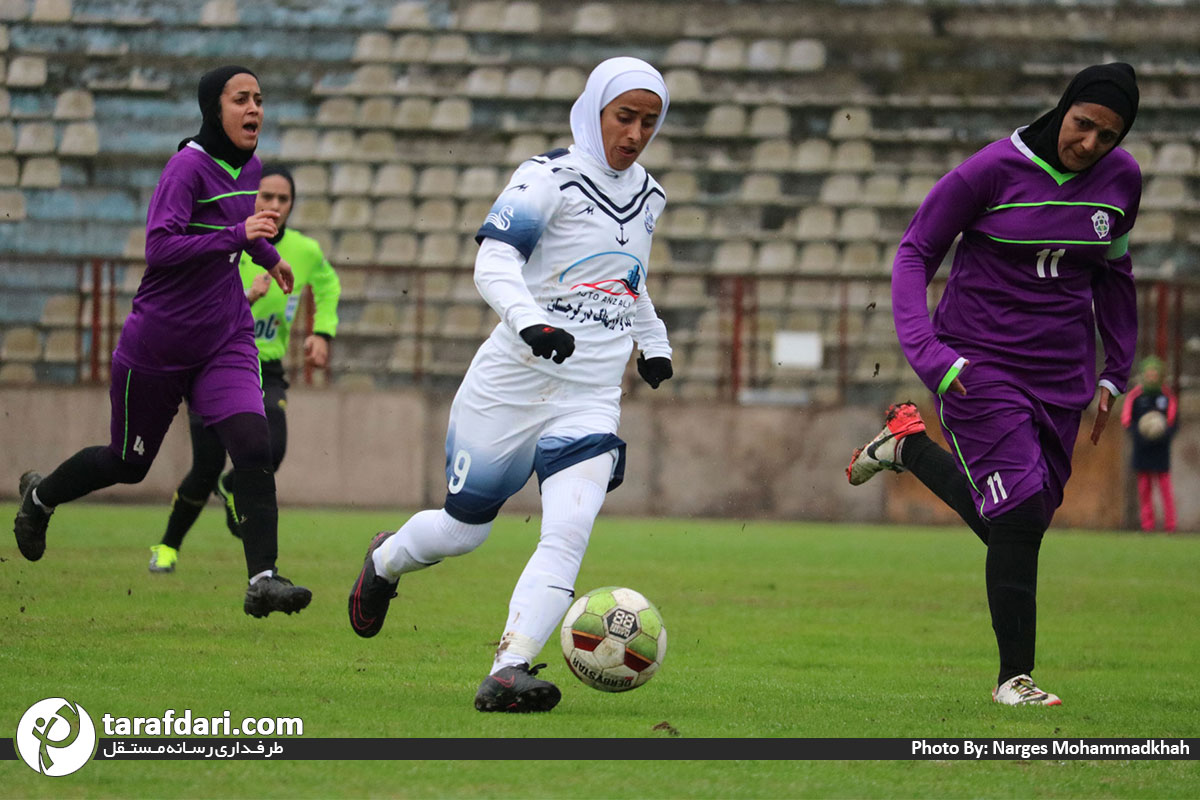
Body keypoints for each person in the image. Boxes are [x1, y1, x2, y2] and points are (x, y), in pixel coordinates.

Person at [347, 56, 674, 712]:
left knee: (568, 532)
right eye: (625, 117)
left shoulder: (651, 197)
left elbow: (627, 278)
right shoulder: (547, 177)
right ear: (593, 111)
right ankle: (385, 562)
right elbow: (493, 261)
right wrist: (530, 324)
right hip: (510, 386)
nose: (636, 132)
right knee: (464, 530)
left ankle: (508, 668)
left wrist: (655, 343)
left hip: (588, 399)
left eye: (649, 120)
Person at [845, 63, 1141, 706]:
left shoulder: (1122, 183)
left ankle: (907, 448)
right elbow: (915, 252)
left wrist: (1117, 368)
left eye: (1107, 136)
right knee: (1020, 516)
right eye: (1083, 124)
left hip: (1064, 378)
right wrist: (932, 357)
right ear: (1064, 108)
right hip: (979, 366)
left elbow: (1116, 276)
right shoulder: (989, 171)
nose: (1090, 144)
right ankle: (1015, 679)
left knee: (1016, 518)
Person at [13, 65, 313, 618]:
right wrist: (238, 236)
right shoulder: (185, 168)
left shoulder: (249, 167)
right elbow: (161, 248)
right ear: (213, 108)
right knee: (128, 462)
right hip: (159, 344)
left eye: (260, 100)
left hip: (224, 337)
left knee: (253, 445)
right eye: (241, 99)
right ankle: (40, 497)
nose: (255, 110)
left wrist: (269, 257)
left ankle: (263, 578)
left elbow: (238, 229)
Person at [148, 164, 342, 573]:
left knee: (273, 447)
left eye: (282, 199)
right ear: (250, 199)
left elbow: (328, 285)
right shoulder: (227, 242)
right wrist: (246, 297)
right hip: (212, 364)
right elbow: (196, 301)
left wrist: (322, 333)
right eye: (265, 197)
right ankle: (167, 546)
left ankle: (234, 488)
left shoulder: (304, 251)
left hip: (264, 368)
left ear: (292, 205)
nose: (273, 206)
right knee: (205, 466)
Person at [1120, 355, 1177, 533]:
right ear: (1144, 374)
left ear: (1160, 375)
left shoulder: (1167, 396)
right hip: (1142, 447)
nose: (1152, 375)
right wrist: (1142, 436)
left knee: (1165, 487)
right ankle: (1147, 525)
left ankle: (1170, 525)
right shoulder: (1135, 396)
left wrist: (1162, 434)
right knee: (1144, 488)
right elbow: (1127, 421)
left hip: (1161, 448)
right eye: (1149, 372)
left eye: (1155, 373)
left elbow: (1173, 422)